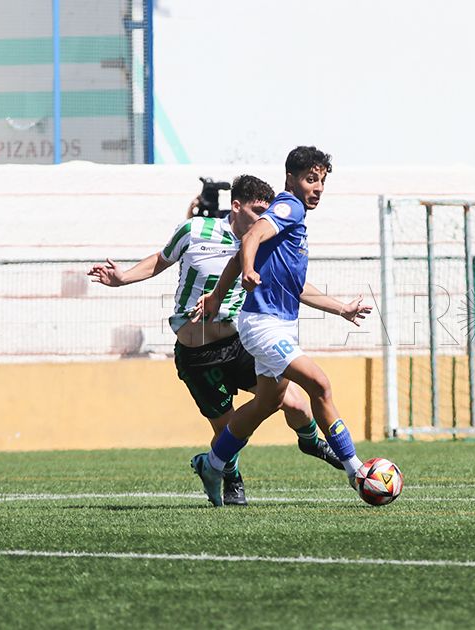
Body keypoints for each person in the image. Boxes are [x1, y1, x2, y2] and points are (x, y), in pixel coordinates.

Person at [88, 174, 344, 506]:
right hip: (198, 354)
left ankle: (310, 441)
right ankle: (230, 478)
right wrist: (123, 278)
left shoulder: (265, 240)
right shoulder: (194, 231)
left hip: (240, 343)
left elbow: (296, 284)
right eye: (257, 210)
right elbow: (160, 259)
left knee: (294, 401)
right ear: (236, 206)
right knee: (228, 431)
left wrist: (341, 308)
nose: (263, 217)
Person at [189, 146, 373, 507]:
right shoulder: (290, 207)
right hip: (263, 326)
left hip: (281, 325)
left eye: (321, 181)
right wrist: (246, 269)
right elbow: (250, 238)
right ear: (290, 178)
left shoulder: (291, 221)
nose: (317, 188)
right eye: (310, 179)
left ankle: (212, 464)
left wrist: (342, 309)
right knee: (319, 384)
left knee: (266, 403)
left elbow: (295, 285)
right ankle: (356, 471)